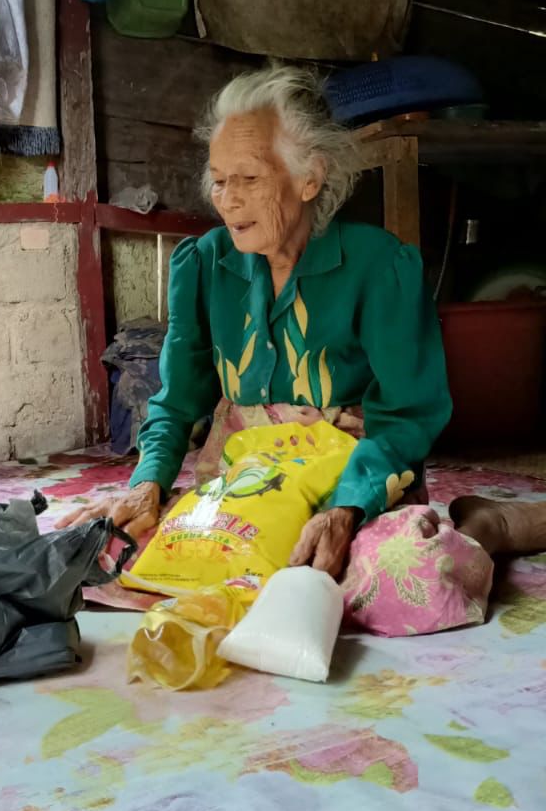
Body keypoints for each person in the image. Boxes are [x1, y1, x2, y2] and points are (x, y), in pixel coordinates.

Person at [59, 64, 453, 580]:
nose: (228, 200)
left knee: (404, 574)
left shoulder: (380, 267)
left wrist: (346, 509)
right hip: (241, 487)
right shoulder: (203, 264)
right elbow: (176, 401)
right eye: (220, 181)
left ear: (309, 178)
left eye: (248, 179)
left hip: (353, 481)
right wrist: (147, 483)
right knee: (116, 552)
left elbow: (407, 416)